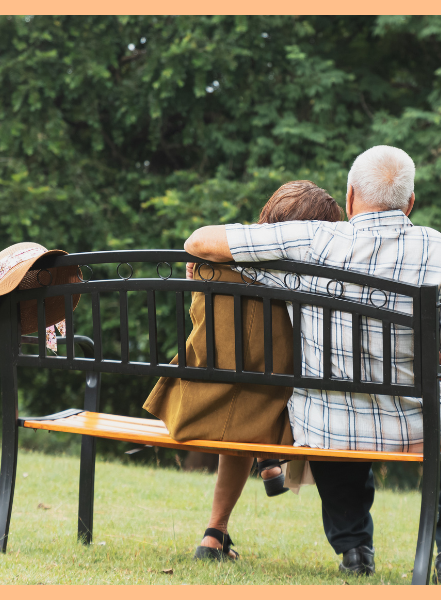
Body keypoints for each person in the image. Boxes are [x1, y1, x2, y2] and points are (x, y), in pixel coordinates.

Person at [183, 145, 441, 583]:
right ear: (410, 204)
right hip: (413, 426)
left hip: (325, 427)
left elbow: (197, 242)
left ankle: (353, 548)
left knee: (334, 413)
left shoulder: (311, 239)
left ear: (350, 197)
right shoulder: (438, 248)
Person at [143, 180, 343, 560]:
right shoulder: (309, 283)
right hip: (264, 417)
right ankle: (265, 464)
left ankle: (214, 535)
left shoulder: (209, 267)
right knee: (254, 392)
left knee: (239, 387)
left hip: (193, 407)